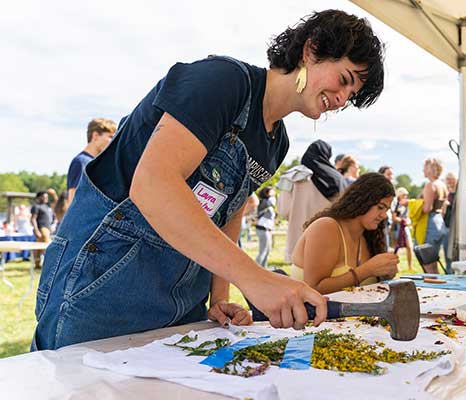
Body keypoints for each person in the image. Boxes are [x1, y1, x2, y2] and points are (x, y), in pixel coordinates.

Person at [32, 9, 385, 350]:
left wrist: (220, 294)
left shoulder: (278, 142)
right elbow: (153, 184)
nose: (341, 100)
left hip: (181, 295)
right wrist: (255, 278)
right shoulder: (223, 81)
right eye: (343, 80)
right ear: (312, 50)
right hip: (105, 280)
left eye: (350, 97)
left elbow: (228, 212)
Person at [291, 173, 399, 294]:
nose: (384, 215)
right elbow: (313, 288)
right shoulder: (326, 227)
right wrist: (367, 270)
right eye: (380, 207)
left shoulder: (368, 236)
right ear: (362, 201)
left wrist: (385, 273)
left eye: (387, 210)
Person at [277, 140, 346, 262]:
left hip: (298, 238)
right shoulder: (337, 179)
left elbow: (283, 210)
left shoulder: (291, 176)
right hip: (328, 238)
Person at [67, 118, 117, 205]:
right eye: (110, 137)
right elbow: (73, 201)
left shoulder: (97, 163)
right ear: (95, 136)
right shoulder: (81, 162)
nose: (113, 141)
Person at [421, 158, 448, 273]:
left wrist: (413, 205)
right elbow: (444, 209)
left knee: (427, 263)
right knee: (433, 263)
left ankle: (431, 288)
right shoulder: (443, 185)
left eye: (424, 167)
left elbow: (427, 208)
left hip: (430, 223)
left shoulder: (430, 185)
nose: (423, 170)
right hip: (440, 222)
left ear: (430, 169)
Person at [30, 191, 55, 268]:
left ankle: (37, 265)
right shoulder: (36, 206)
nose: (46, 198)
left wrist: (50, 227)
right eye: (45, 197)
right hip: (41, 228)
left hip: (47, 228)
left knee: (39, 247)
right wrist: (36, 230)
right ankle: (50, 263)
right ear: (39, 197)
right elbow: (33, 219)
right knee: (47, 246)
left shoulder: (46, 206)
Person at [392, 187, 413, 270]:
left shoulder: (407, 204)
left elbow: (409, 216)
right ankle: (396, 266)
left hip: (405, 227)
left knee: (409, 246)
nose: (405, 196)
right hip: (397, 227)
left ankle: (410, 266)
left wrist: (407, 221)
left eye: (406, 195)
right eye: (403, 194)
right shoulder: (395, 204)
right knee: (396, 248)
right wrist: (402, 221)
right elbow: (394, 217)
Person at [255, 186, 276, 268]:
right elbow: (271, 203)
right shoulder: (264, 202)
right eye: (271, 191)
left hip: (267, 230)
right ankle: (256, 269)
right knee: (262, 251)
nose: (274, 192)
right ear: (266, 192)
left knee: (267, 251)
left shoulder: (268, 202)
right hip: (262, 229)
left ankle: (264, 268)